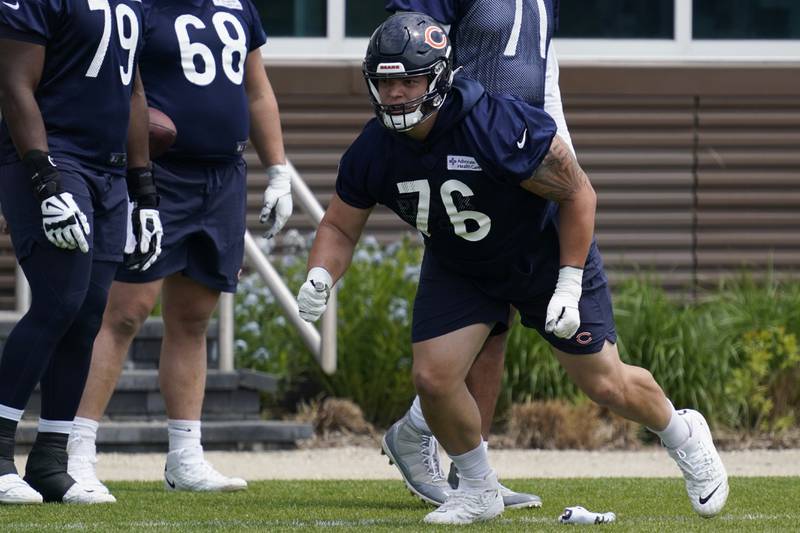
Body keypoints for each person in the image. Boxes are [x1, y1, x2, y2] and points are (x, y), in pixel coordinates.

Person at [296, 13, 728, 525]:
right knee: (434, 378)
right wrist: (321, 275)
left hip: (541, 255)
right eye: (385, 82)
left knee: (606, 384)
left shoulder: (495, 124)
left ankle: (683, 433)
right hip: (462, 263)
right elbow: (339, 227)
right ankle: (478, 489)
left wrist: (568, 282)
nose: (394, 95)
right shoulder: (375, 148)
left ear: (438, 77)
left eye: (408, 80)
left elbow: (578, 192)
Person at [65, 0, 292, 497]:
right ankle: (75, 450)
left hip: (223, 176)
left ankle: (185, 456)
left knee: (193, 318)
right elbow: (114, 86)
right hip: (158, 174)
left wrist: (278, 169)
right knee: (123, 313)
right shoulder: (140, 8)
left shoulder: (238, 7)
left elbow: (256, 91)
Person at [382, 0, 570, 509]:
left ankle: (472, 475)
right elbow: (411, 46)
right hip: (465, 149)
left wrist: (560, 146)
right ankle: (422, 434)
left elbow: (542, 67)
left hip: (520, 150)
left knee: (497, 322)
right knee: (470, 306)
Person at [0, 0, 159, 504]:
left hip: (108, 172)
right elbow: (14, 83)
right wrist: (44, 180)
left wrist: (144, 191)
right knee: (59, 300)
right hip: (52, 157)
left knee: (89, 312)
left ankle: (50, 460)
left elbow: (133, 93)